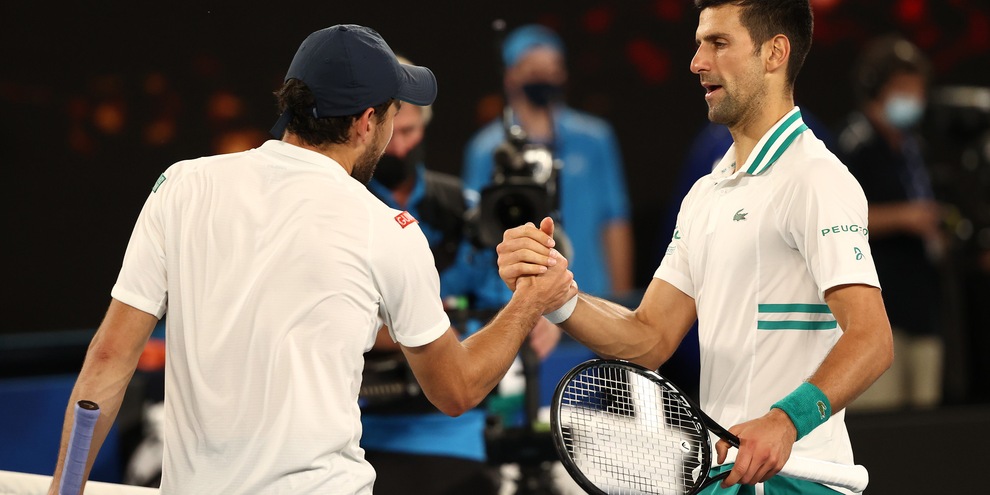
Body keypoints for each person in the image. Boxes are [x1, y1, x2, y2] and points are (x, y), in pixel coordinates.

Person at [47, 24, 577, 495]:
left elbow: (108, 359)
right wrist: (530, 302)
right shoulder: (386, 230)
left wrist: (63, 492)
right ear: (367, 122)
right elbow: (456, 389)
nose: (396, 133)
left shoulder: (182, 185)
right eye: (395, 115)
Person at [496, 2, 894, 494]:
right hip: (725, 480)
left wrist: (785, 422)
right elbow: (649, 338)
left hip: (803, 481)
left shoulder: (816, 179)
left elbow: (872, 339)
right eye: (700, 43)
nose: (697, 61)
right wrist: (558, 296)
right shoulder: (707, 194)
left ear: (775, 53)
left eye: (719, 43)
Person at [359, 70, 561, 494]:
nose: (399, 145)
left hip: (457, 429)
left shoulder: (466, 210)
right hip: (361, 427)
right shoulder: (343, 206)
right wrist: (402, 334)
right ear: (367, 126)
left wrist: (541, 311)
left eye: (409, 130)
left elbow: (526, 279)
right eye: (390, 131)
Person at [462, 23, 635, 301]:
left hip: (591, 293)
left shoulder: (594, 138)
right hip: (516, 301)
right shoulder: (486, 149)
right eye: (532, 67)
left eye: (551, 67)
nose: (543, 75)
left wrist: (622, 300)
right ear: (511, 75)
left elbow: (614, 220)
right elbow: (475, 231)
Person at [836, 34, 944, 410]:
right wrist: (904, 217)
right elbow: (837, 217)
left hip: (922, 308)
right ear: (876, 89)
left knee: (928, 425)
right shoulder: (854, 144)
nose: (912, 97)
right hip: (878, 313)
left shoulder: (915, 148)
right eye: (903, 88)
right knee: (884, 425)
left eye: (917, 88)